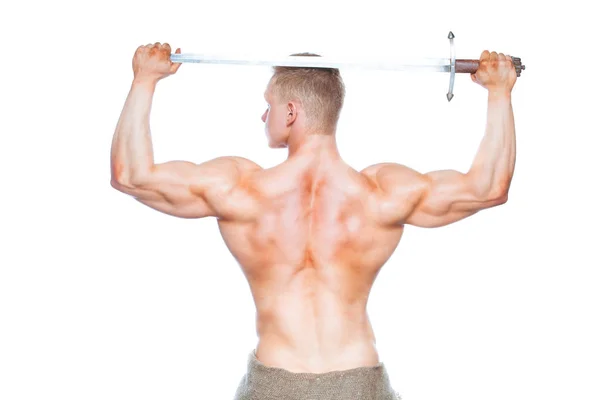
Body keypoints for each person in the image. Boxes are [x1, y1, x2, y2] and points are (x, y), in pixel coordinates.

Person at [110, 42, 517, 400]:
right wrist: (499, 93)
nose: (262, 115)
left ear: (291, 112)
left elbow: (131, 175)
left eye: (268, 105)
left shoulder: (241, 190)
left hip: (275, 386)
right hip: (359, 385)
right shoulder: (381, 194)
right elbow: (488, 187)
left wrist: (145, 79)